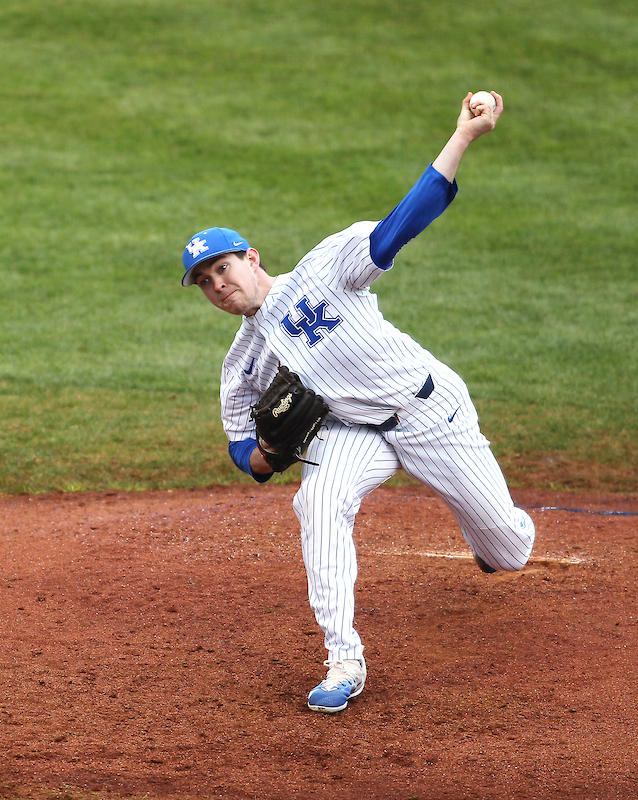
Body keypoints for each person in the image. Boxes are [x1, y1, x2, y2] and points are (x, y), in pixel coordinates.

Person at [179, 92, 535, 713]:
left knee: (509, 551)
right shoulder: (243, 360)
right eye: (205, 283)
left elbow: (404, 221)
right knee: (316, 499)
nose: (218, 285)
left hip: (431, 413)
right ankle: (344, 658)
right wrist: (264, 454)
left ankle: (489, 537)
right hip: (356, 433)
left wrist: (463, 138)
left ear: (251, 256)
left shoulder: (325, 269)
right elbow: (242, 447)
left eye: (223, 268)